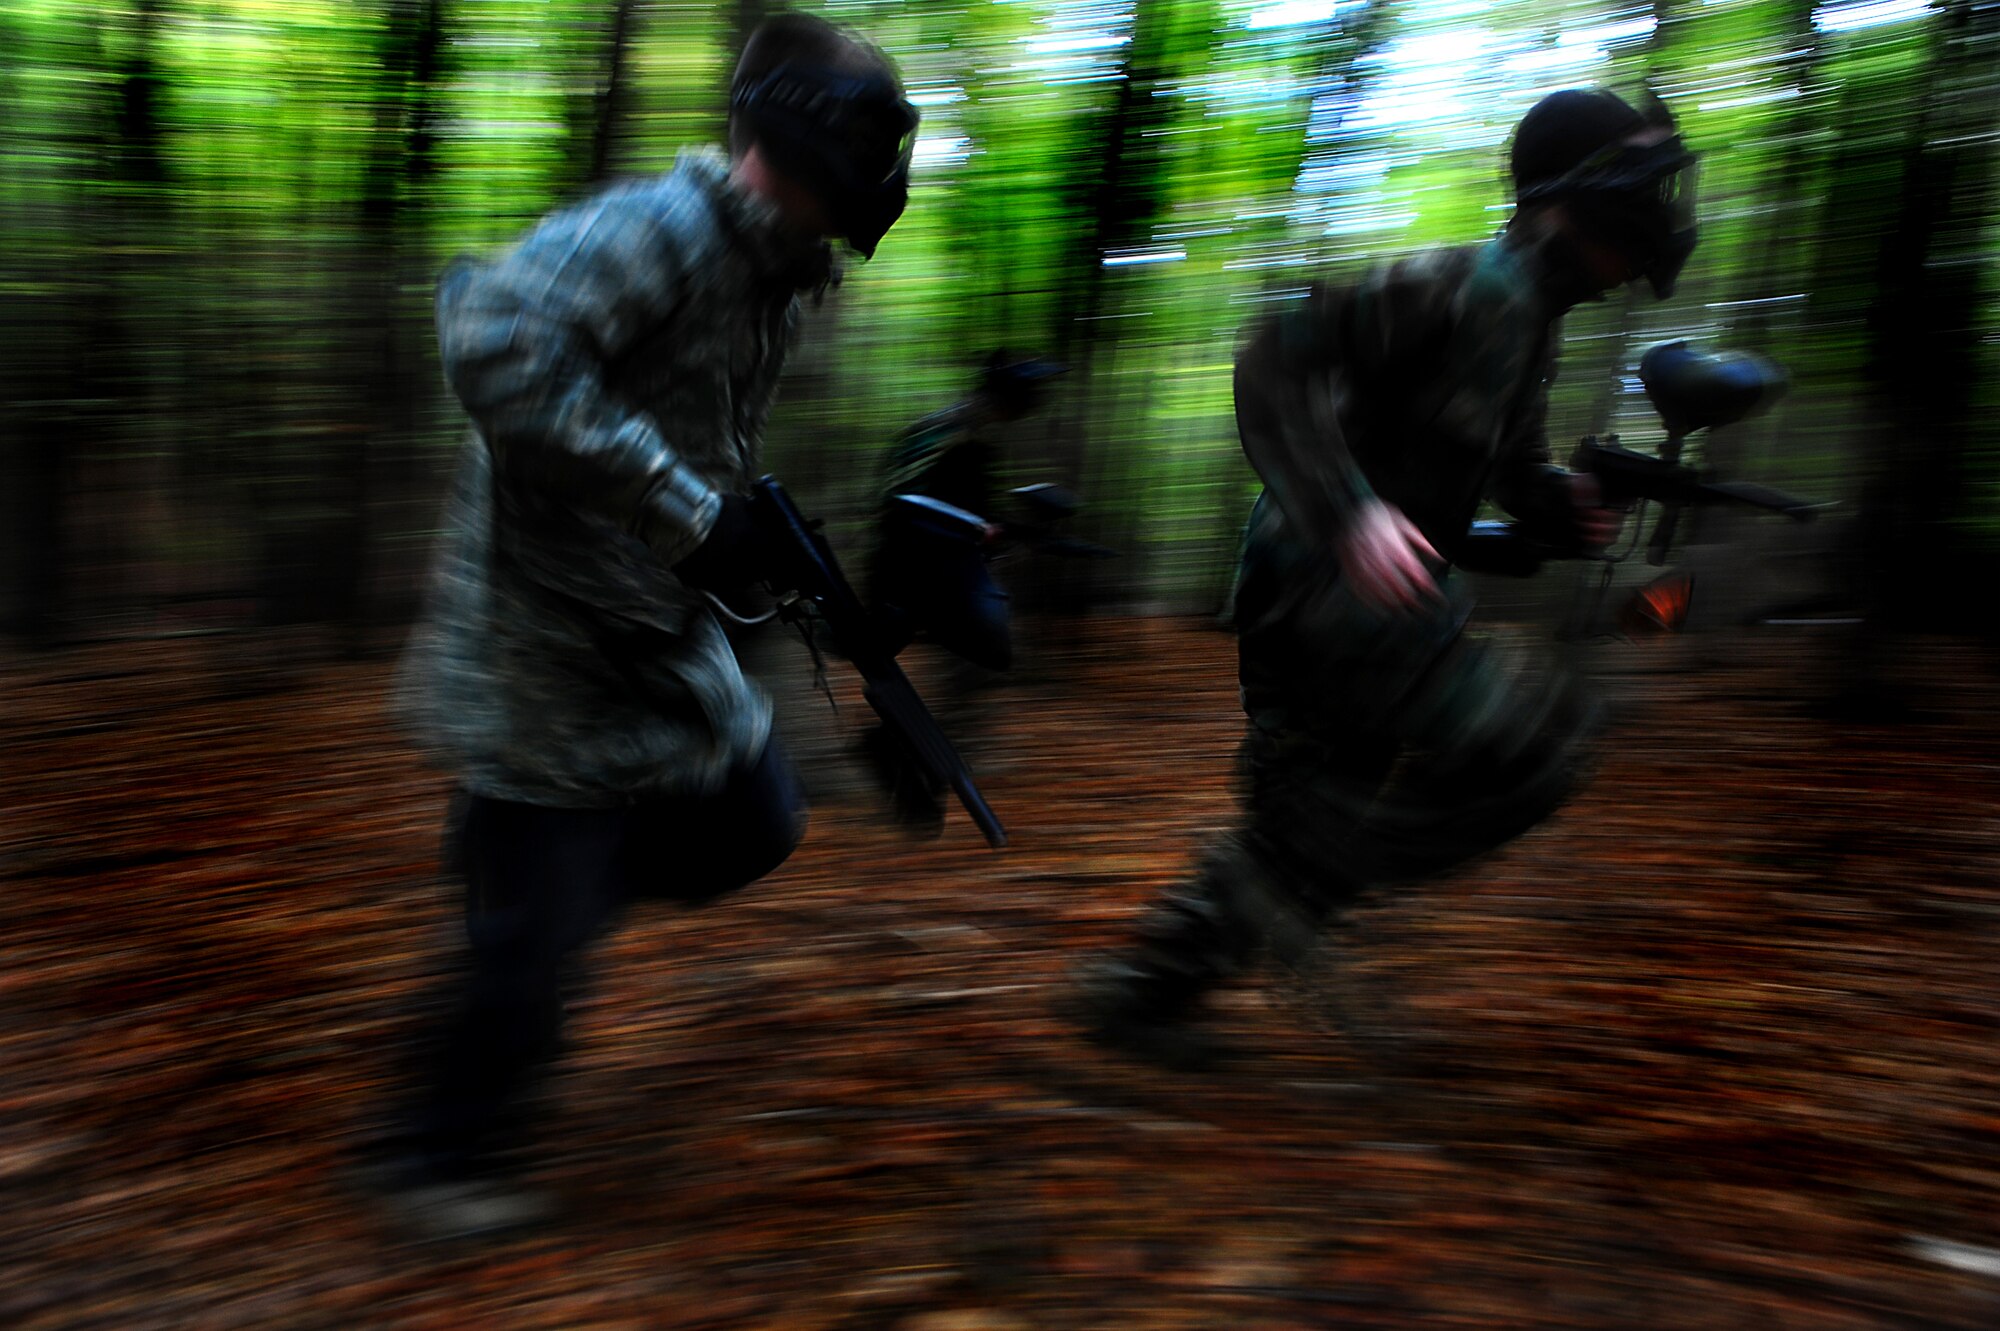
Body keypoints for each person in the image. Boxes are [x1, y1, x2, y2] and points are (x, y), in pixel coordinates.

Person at [380, 11, 919, 1236]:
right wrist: (686, 513)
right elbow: (497, 343)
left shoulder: (769, 278)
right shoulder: (655, 230)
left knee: (756, 816)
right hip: (544, 640)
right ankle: (428, 1160)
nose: (844, 217)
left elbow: (697, 440)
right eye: (838, 185)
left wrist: (760, 555)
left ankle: (521, 889)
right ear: (784, 152)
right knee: (533, 952)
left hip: (650, 632)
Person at [1070, 87, 1698, 1068]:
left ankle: (1137, 992)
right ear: (1571, 201)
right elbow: (1269, 360)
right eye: (1636, 195)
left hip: (1365, 608)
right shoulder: (1449, 284)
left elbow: (1502, 464)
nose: (1650, 230)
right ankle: (1291, 880)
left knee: (1303, 830)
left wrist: (1557, 506)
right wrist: (1351, 512)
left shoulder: (1527, 324)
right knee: (1536, 740)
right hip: (1322, 592)